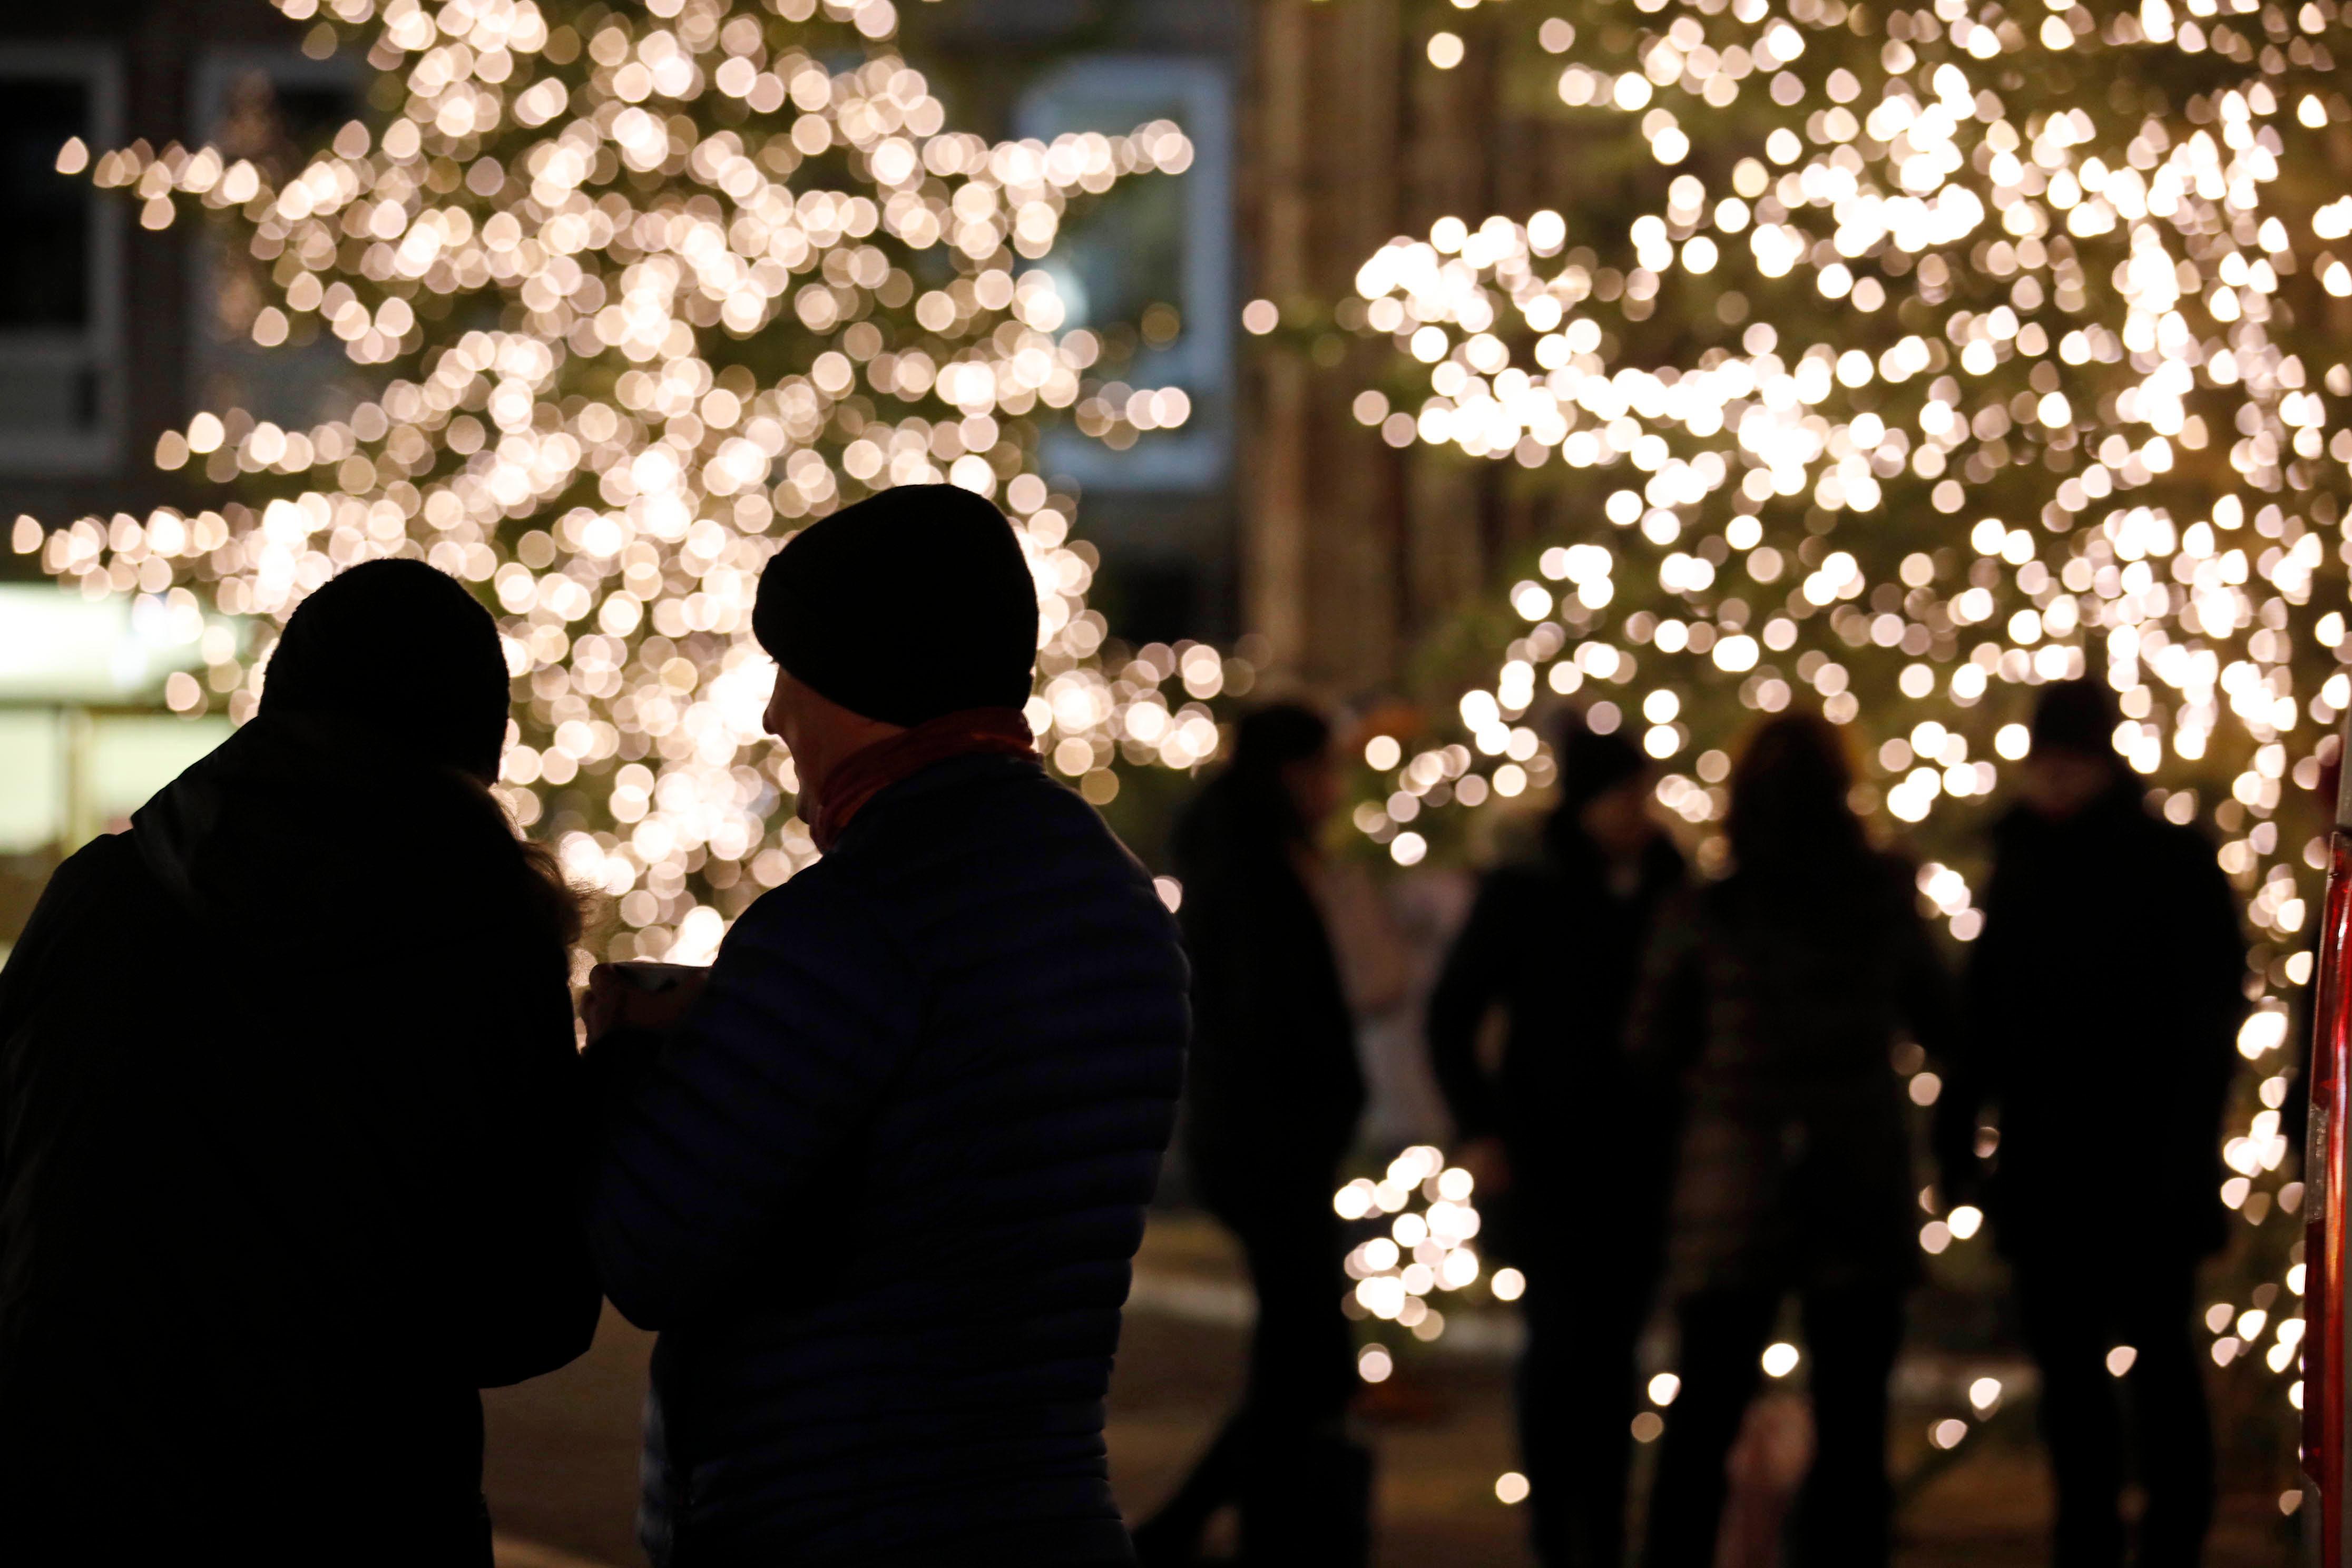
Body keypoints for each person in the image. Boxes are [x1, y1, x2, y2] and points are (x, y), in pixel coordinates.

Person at [579, 485, 1190, 1567]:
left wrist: (633, 1057)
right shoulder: (1113, 903)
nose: (775, 716)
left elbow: (649, 1251)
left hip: (833, 1514)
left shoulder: (849, 922)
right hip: (1045, 1511)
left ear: (860, 677)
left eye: (792, 672)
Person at [0, 559, 601, 1564]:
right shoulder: (481, 946)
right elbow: (523, 1316)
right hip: (354, 1510)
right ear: (465, 761)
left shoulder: (99, 897)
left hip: (67, 1497)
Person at [1632, 712, 1954, 1568]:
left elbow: (1652, 1046)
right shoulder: (1879, 898)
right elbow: (1942, 1019)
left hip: (1733, 1184)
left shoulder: (1708, 910)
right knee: (1853, 1422)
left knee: (1703, 1413)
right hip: (1854, 1173)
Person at [1936, 678, 2244, 1568]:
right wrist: (1961, 1133)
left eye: (2073, 759)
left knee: (2157, 1361)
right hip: (2049, 1160)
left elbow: (2205, 1022)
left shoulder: (2168, 864)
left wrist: (2187, 1151)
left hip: (2145, 1160)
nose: (2059, 777)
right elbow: (1985, 1017)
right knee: (2074, 1374)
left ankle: (2171, 1534)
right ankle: (2090, 1535)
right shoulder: (2023, 861)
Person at [1426, 711, 1685, 1568]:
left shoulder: (1667, 882)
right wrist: (1482, 1129)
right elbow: (1452, 1013)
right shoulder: (1530, 887)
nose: (1633, 810)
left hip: (1643, 1154)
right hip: (1548, 1153)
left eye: (1639, 792)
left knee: (1615, 1350)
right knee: (1561, 1341)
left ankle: (1604, 1525)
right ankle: (1557, 1530)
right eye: (1619, 794)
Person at [1133, 703, 1372, 1568]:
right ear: (1292, 774)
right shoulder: (1256, 868)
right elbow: (1278, 1012)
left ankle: (1222, 1524)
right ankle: (1227, 1527)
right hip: (1271, 1138)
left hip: (1260, 1134)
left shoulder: (1238, 854)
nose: (1336, 792)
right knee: (1307, 1356)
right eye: (1326, 771)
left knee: (1299, 1352)